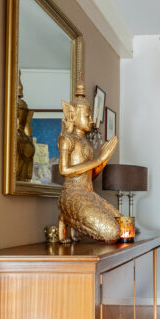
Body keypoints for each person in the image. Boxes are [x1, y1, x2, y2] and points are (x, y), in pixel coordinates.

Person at [57, 77, 121, 242]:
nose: (91, 120)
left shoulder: (87, 144)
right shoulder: (67, 140)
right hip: (72, 193)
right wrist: (99, 159)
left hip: (88, 192)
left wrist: (103, 160)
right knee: (112, 233)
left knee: (125, 226)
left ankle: (68, 219)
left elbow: (90, 176)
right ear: (73, 115)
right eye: (87, 116)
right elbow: (64, 170)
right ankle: (66, 217)